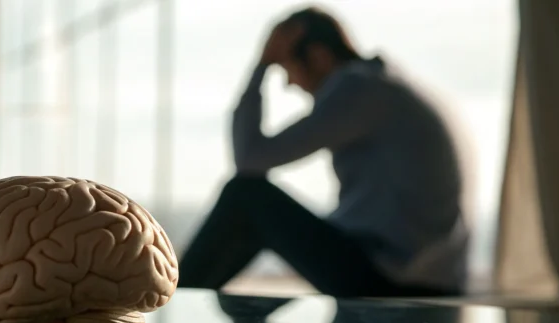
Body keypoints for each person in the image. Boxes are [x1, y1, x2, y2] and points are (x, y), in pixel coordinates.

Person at [176, 6, 469, 297]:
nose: (290, 84)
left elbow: (249, 160)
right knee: (245, 293)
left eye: (286, 67)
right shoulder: (383, 86)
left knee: (246, 195)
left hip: (394, 279)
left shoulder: (358, 87)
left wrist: (261, 66)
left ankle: (166, 302)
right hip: (421, 275)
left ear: (318, 56)